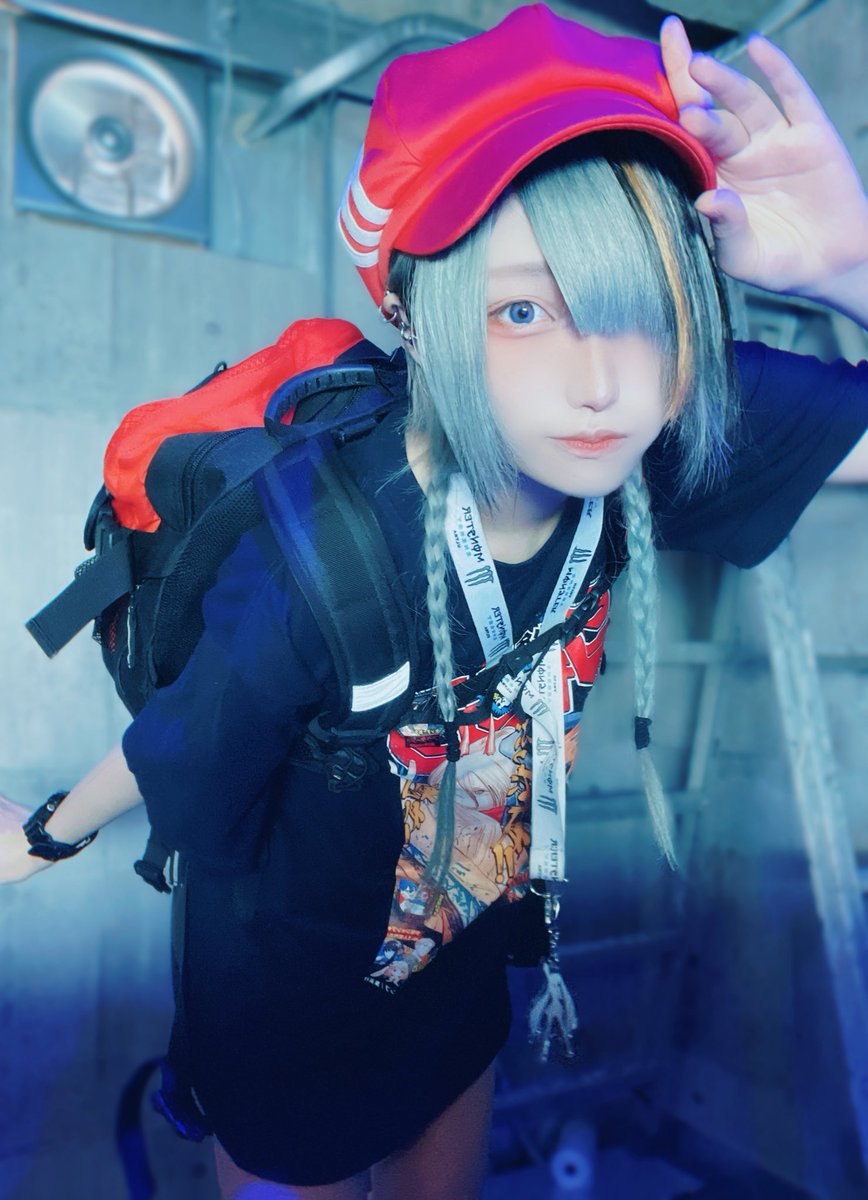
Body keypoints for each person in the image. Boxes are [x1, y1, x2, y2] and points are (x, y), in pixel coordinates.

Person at [2, 5, 867, 1198]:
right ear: (417, 310)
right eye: (522, 310)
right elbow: (182, 742)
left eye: (639, 306)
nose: (598, 379)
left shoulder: (635, 435)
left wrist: (849, 271)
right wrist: (43, 834)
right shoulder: (329, 537)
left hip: (456, 950)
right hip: (289, 997)